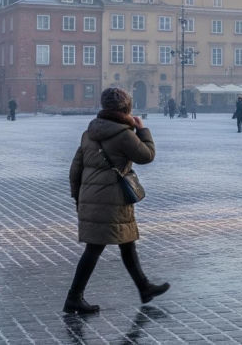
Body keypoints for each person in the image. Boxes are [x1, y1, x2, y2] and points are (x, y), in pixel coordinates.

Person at [64, 87, 169, 314]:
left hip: (92, 197)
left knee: (126, 241)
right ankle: (73, 297)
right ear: (126, 108)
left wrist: (78, 198)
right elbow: (147, 156)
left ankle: (144, 287)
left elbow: (75, 169)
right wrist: (143, 130)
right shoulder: (123, 134)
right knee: (95, 248)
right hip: (111, 200)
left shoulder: (89, 133)